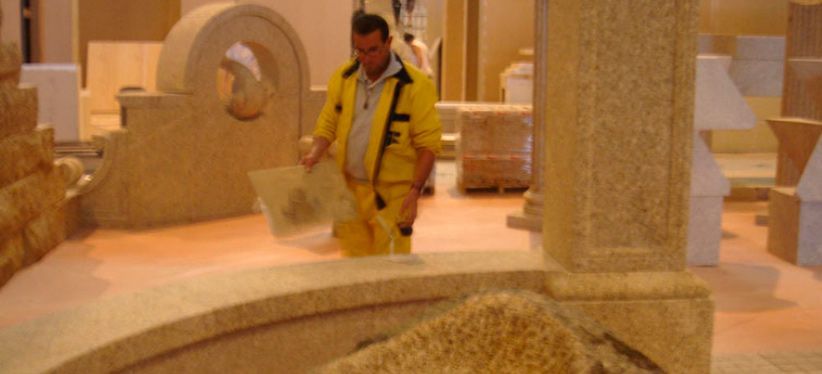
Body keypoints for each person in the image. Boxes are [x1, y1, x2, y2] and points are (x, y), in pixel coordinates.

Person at [301, 13, 441, 257]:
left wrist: (415, 191)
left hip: (392, 198)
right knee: (356, 268)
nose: (366, 58)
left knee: (390, 268)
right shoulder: (344, 77)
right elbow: (328, 122)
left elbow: (428, 144)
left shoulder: (415, 86)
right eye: (360, 51)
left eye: (373, 50)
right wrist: (315, 153)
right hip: (351, 193)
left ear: (388, 43)